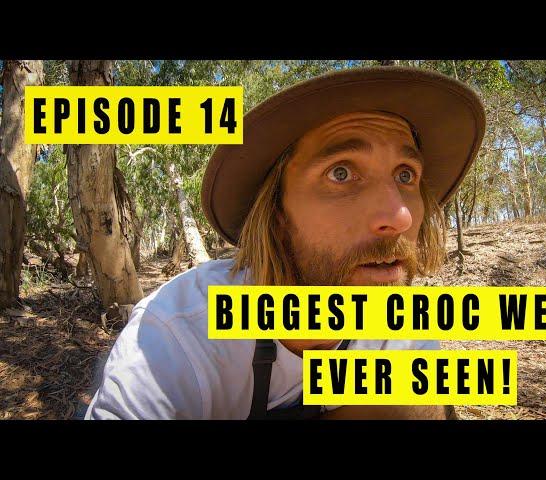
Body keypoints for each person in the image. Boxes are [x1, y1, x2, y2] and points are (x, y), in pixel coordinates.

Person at [85, 66, 486, 420]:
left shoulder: (399, 328)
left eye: (405, 175)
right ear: (277, 214)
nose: (400, 217)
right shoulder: (178, 338)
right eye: (342, 173)